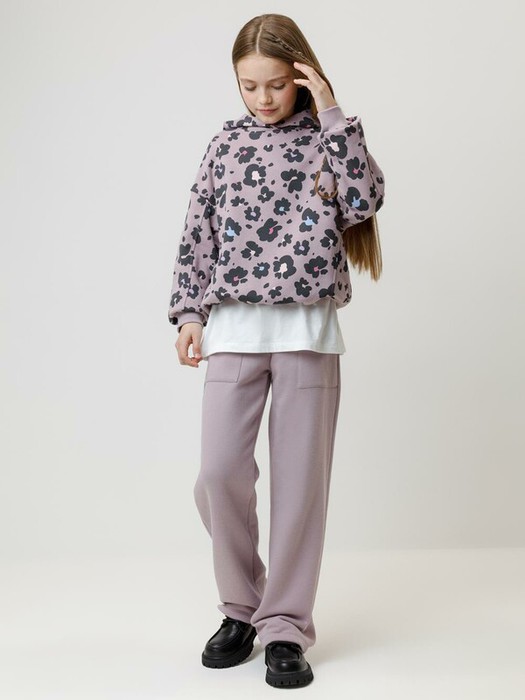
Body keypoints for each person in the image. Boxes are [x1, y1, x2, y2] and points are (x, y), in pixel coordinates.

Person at [167, 13, 385, 689]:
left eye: (277, 85)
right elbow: (198, 231)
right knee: (218, 473)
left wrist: (332, 111)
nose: (263, 98)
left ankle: (285, 625)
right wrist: (189, 313)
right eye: (249, 86)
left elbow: (364, 200)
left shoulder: (329, 138)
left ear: (301, 77)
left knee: (299, 490)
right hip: (233, 330)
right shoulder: (225, 144)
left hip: (306, 336)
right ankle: (242, 607)